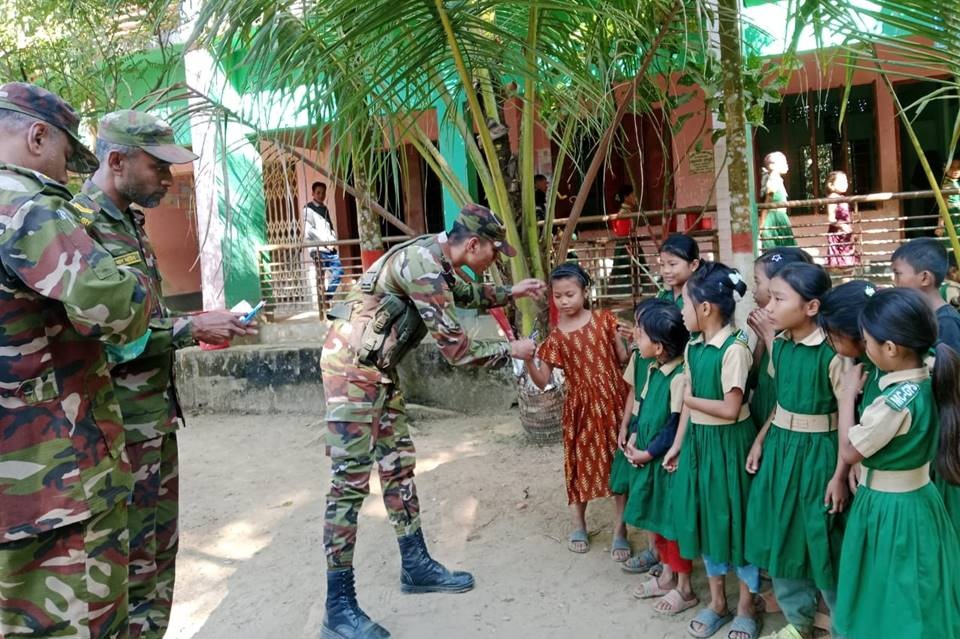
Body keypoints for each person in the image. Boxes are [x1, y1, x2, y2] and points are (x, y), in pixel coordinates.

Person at [319, 203, 543, 639]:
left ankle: (415, 565)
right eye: (494, 252)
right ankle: (338, 607)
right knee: (349, 482)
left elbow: (461, 293)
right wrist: (510, 350)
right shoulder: (423, 266)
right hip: (351, 372)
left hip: (378, 370)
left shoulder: (438, 258)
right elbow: (458, 352)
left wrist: (509, 292)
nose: (495, 259)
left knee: (398, 465)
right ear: (473, 244)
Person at [72, 109, 256, 638]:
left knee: (157, 556)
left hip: (153, 420)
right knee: (124, 569)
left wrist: (193, 326)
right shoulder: (79, 229)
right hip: (114, 430)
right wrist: (189, 328)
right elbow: (97, 337)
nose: (169, 177)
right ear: (116, 161)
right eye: (158, 166)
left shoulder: (128, 221)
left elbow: (140, 318)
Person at [0, 82, 154, 638]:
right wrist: (140, 286)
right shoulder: (29, 208)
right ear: (38, 136)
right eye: (67, 155)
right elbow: (119, 310)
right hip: (55, 478)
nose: (68, 172)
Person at [834, 288, 960, 639]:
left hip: (892, 509)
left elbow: (849, 452)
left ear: (890, 348)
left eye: (867, 341)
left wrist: (846, 397)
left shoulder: (893, 403)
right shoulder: (930, 373)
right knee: (916, 588)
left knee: (894, 592)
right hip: (918, 501)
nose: (865, 347)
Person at [744, 263, 849, 639]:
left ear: (811, 306)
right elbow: (782, 403)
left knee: (822, 539)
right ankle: (799, 621)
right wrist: (761, 440)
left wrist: (840, 473)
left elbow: (847, 417)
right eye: (769, 297)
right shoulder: (783, 345)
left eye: (778, 299)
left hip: (819, 457)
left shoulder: (833, 354)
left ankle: (843, 623)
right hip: (780, 453)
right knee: (783, 533)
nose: (768, 307)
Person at [663, 262, 760, 639]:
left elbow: (730, 409)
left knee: (736, 522)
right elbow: (691, 408)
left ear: (705, 308)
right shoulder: (694, 347)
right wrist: (677, 445)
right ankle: (718, 602)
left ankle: (746, 606)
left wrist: (689, 398)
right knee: (706, 519)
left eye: (686, 305)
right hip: (700, 444)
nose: (681, 313)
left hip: (729, 446)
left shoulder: (734, 350)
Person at [525, 263, 630, 556]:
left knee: (618, 462)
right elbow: (542, 381)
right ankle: (579, 524)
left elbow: (622, 358)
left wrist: (629, 341)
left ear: (585, 292)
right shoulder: (556, 338)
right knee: (579, 464)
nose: (564, 301)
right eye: (558, 296)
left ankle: (620, 529)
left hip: (614, 402)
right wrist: (528, 360)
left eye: (570, 294)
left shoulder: (606, 321)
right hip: (580, 409)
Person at [615, 234, 699, 575]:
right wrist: (630, 427)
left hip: (666, 436)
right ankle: (657, 555)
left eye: (672, 263)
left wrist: (653, 449)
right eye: (661, 264)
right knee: (649, 496)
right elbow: (639, 393)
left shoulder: (697, 300)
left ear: (694, 265)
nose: (665, 270)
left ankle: (673, 571)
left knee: (667, 503)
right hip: (649, 420)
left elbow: (676, 419)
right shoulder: (661, 302)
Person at [621, 301, 698, 616]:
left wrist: (649, 452)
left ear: (659, 347)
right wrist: (634, 435)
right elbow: (642, 408)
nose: (635, 339)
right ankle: (667, 577)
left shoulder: (679, 377)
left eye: (641, 335)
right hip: (648, 459)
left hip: (666, 464)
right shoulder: (652, 368)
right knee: (656, 520)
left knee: (671, 524)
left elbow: (674, 425)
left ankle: (685, 588)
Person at [746, 248, 813, 433]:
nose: (753, 290)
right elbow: (753, 380)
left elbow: (789, 387)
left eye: (757, 282)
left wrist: (768, 337)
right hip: (761, 410)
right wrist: (761, 338)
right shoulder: (769, 324)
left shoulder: (799, 333)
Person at [891, 237, 960, 352]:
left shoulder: (947, 323)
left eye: (898, 274)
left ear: (925, 278)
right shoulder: (923, 317)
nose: (894, 281)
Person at [305, 181, 344, 300]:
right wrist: (326, 242)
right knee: (320, 277)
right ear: (313, 193)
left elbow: (330, 228)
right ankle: (323, 303)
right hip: (318, 248)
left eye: (323, 193)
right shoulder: (308, 209)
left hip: (329, 248)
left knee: (339, 272)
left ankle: (327, 297)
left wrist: (333, 241)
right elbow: (309, 230)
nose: (321, 195)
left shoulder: (325, 209)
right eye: (318, 193)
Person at [759, 152, 796, 249]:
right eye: (784, 162)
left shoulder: (777, 179)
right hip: (774, 218)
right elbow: (767, 201)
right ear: (773, 165)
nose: (786, 165)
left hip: (780, 217)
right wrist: (762, 225)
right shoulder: (773, 179)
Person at [824, 170, 858, 268]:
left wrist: (852, 232)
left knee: (849, 262)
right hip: (838, 234)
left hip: (846, 234)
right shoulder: (832, 197)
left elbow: (847, 217)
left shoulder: (842, 197)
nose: (845, 184)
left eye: (846, 181)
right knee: (842, 262)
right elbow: (831, 218)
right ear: (831, 185)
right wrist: (842, 226)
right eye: (841, 182)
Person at [938, 157, 960, 240]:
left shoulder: (957, 182)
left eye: (959, 167)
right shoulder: (946, 184)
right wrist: (940, 224)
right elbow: (943, 205)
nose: (955, 170)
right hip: (952, 216)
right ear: (945, 169)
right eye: (952, 167)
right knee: (952, 241)